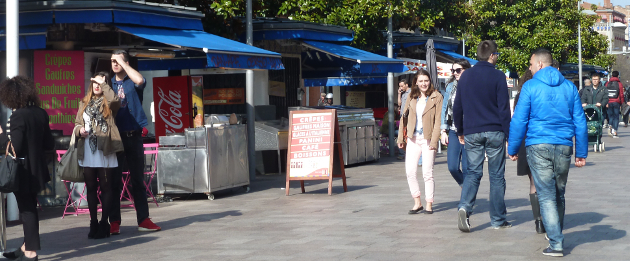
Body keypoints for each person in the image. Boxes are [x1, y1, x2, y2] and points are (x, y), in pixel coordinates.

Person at [508, 48, 587, 257]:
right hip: (563, 146)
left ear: (540, 64)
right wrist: (581, 153)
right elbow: (580, 120)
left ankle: (556, 242)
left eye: (531, 64)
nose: (530, 68)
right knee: (559, 192)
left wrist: (513, 148)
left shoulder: (530, 87)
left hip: (538, 145)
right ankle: (556, 234)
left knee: (546, 195)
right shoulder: (570, 87)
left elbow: (519, 120)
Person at [453, 40, 511, 232]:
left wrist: (460, 130)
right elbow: (503, 109)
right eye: (497, 55)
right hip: (494, 130)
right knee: (496, 176)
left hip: (472, 131)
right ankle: (498, 220)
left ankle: (464, 207)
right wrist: (509, 135)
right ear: (492, 55)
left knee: (472, 173)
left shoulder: (466, 76)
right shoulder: (498, 76)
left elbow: (457, 107)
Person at [0, 76, 54, 261]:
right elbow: (49, 143)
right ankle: (26, 246)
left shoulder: (18, 116)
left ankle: (31, 252)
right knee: (30, 207)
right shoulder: (41, 113)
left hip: (22, 170)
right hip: (37, 169)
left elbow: (16, 146)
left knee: (27, 210)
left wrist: (1, 135)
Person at [109, 49, 161, 234]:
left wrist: (124, 64)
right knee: (114, 181)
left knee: (138, 180)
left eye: (118, 61)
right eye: (112, 61)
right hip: (115, 138)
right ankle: (114, 221)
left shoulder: (132, 81)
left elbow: (140, 80)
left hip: (134, 135)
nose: (115, 64)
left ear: (126, 63)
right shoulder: (109, 83)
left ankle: (144, 219)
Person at [75, 72, 124, 239]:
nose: (96, 85)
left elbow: (116, 101)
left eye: (100, 82)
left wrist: (104, 84)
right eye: (94, 82)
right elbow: (77, 123)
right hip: (88, 147)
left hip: (105, 148)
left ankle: (105, 222)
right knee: (90, 187)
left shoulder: (109, 101)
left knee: (106, 187)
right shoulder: (84, 102)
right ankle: (93, 222)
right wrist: (79, 130)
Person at [397, 69, 443, 215]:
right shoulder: (411, 96)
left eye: (426, 80)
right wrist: (400, 138)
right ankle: (417, 202)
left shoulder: (437, 97)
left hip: (428, 138)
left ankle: (429, 203)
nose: (424, 83)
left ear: (430, 81)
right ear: (416, 82)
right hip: (412, 138)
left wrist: (434, 141)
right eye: (421, 81)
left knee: (427, 173)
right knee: (410, 171)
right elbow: (404, 118)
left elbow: (438, 122)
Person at [512, 69, 545, 234]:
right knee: (546, 182)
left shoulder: (520, 96)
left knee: (533, 182)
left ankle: (538, 220)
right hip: (543, 138)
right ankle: (547, 218)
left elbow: (517, 121)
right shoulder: (543, 92)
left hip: (525, 140)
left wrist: (513, 146)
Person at [440, 59, 472, 187]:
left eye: (458, 70)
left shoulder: (473, 86)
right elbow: (444, 108)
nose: (455, 73)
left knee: (466, 167)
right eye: (453, 70)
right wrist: (443, 130)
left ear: (466, 70)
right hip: (454, 130)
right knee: (452, 167)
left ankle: (466, 199)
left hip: (469, 131)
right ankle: (466, 188)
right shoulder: (450, 86)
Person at [605, 71, 625, 138]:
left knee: (610, 116)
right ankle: (614, 131)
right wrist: (622, 103)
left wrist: (605, 102)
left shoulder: (607, 83)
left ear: (612, 75)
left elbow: (605, 93)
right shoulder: (619, 84)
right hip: (616, 102)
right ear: (618, 75)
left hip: (609, 102)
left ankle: (610, 125)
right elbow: (621, 94)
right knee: (616, 116)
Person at [396, 79, 411, 160]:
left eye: (402, 86)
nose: (401, 87)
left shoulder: (411, 92)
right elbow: (399, 103)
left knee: (407, 134)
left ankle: (406, 153)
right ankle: (402, 153)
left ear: (406, 85)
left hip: (408, 116)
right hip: (402, 116)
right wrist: (399, 94)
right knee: (401, 134)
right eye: (399, 86)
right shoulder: (403, 93)